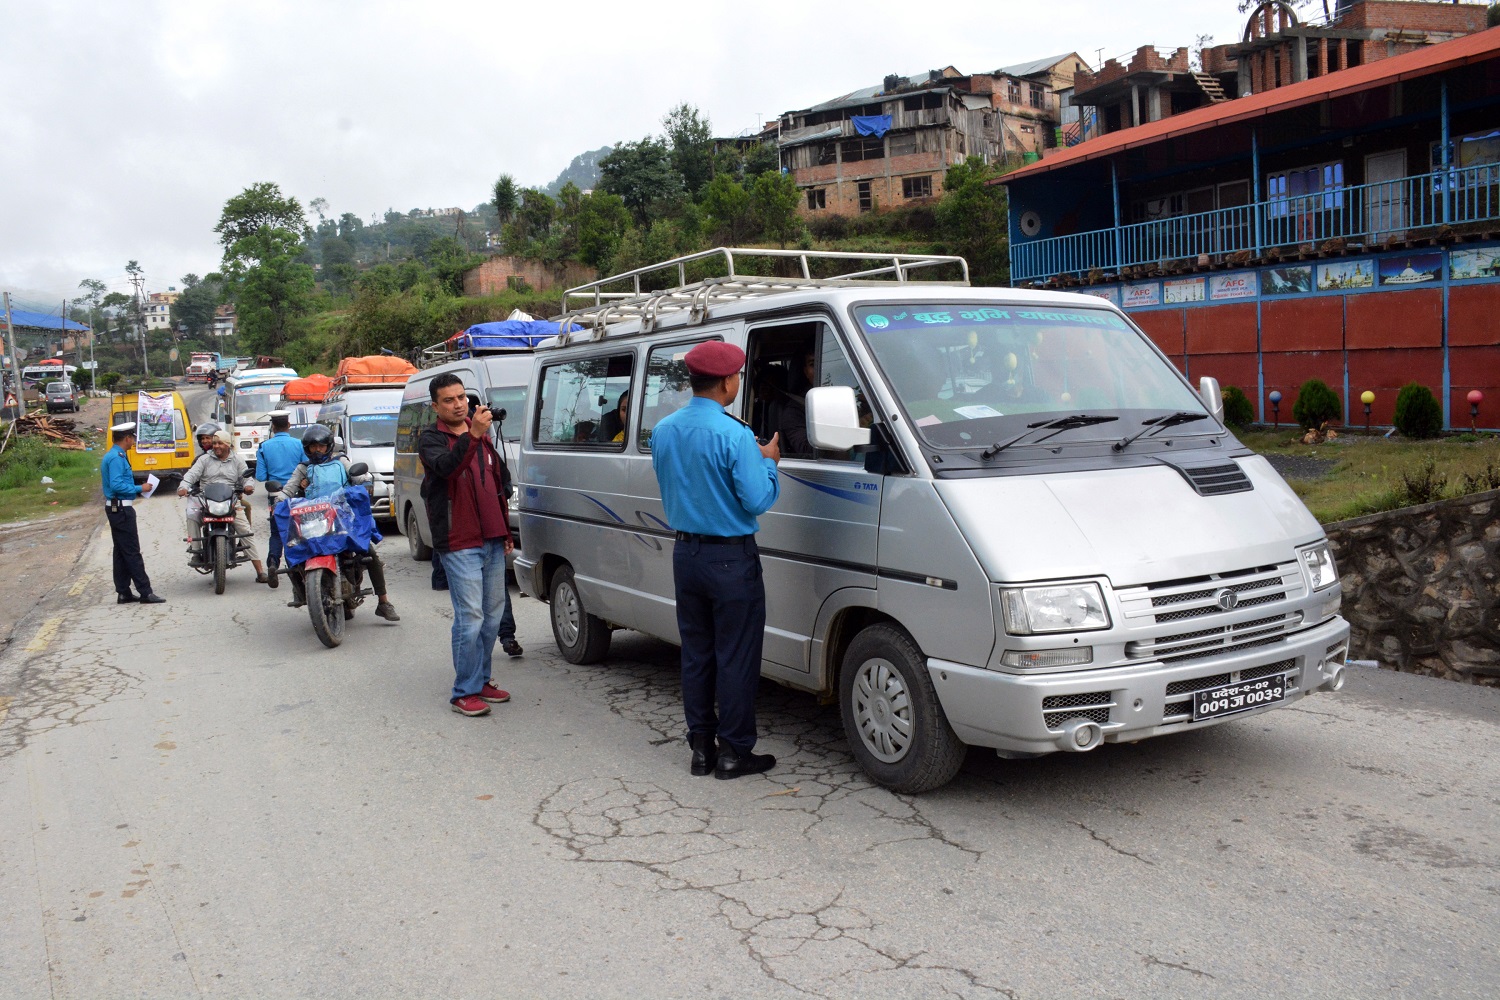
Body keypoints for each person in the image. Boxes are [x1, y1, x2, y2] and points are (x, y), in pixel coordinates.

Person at [649, 341, 781, 780]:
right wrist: (770, 463)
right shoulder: (735, 434)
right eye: (737, 377)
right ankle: (734, 753)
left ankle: (701, 749)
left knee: (698, 654)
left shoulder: (664, 429)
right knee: (736, 656)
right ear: (728, 382)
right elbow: (757, 499)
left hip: (686, 554)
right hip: (731, 559)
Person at [419, 373, 520, 718]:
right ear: (436, 406)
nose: (458, 404)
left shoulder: (484, 438)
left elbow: (496, 483)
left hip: (491, 537)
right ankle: (464, 691)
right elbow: (448, 468)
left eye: (461, 397)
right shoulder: (431, 439)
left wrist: (505, 531)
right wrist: (473, 436)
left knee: (492, 617)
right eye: (449, 400)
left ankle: (481, 679)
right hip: (459, 541)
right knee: (471, 617)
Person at [280, 424, 399, 622]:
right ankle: (301, 591)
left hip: (342, 517)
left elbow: (358, 477)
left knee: (368, 553)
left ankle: (384, 601)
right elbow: (288, 490)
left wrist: (364, 482)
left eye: (320, 446)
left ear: (328, 446)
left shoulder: (341, 461)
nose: (316, 450)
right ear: (306, 449)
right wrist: (279, 501)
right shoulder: (303, 469)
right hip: (313, 519)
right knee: (293, 552)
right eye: (312, 447)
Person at [178, 429, 269, 584]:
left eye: (220, 443)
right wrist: (183, 487)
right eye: (214, 443)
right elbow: (191, 475)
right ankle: (196, 551)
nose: (216, 446)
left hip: (231, 500)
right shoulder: (204, 460)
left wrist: (248, 486)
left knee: (245, 531)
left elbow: (246, 476)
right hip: (206, 501)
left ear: (228, 444)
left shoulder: (237, 460)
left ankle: (260, 571)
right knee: (191, 515)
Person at [101, 421, 164, 605]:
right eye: (132, 438)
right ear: (127, 438)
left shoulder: (117, 455)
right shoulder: (116, 458)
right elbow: (116, 484)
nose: (133, 441)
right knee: (132, 551)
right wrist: (140, 487)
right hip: (120, 508)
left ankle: (123, 592)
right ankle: (145, 592)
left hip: (119, 507)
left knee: (121, 551)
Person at [254, 411, 305, 590]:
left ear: (273, 427)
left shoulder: (264, 447)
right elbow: (307, 468)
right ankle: (298, 567)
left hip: (275, 496)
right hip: (298, 494)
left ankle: (273, 563)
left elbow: (260, 476)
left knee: (277, 532)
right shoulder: (299, 444)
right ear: (289, 425)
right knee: (300, 532)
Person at [777, 349, 816, 457]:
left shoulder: (851, 396)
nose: (821, 368)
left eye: (826, 362)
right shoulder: (794, 411)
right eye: (813, 364)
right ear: (805, 372)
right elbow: (808, 450)